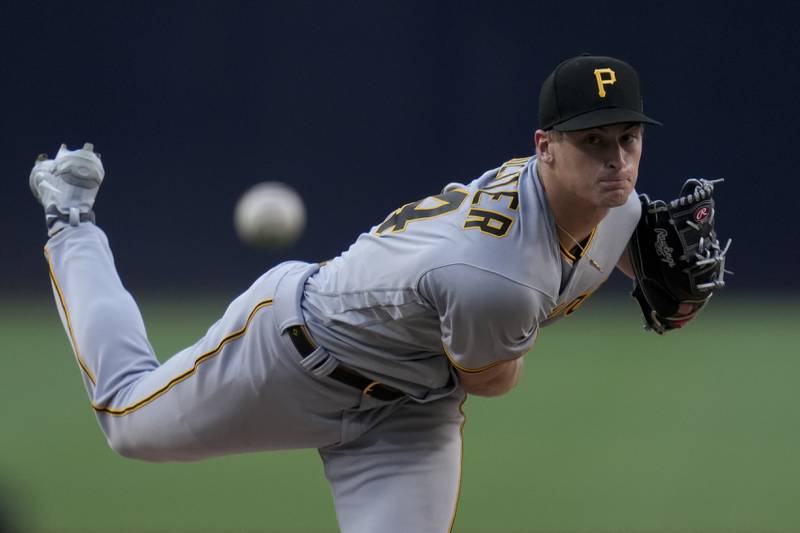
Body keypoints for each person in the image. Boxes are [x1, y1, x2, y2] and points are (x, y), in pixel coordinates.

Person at [30, 54, 663, 533]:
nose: (615, 160)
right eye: (592, 141)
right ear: (544, 149)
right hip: (293, 353)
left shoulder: (618, 208)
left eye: (626, 139)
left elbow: (625, 245)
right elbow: (492, 379)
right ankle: (72, 217)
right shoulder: (496, 277)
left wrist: (675, 294)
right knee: (127, 422)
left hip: (409, 415)